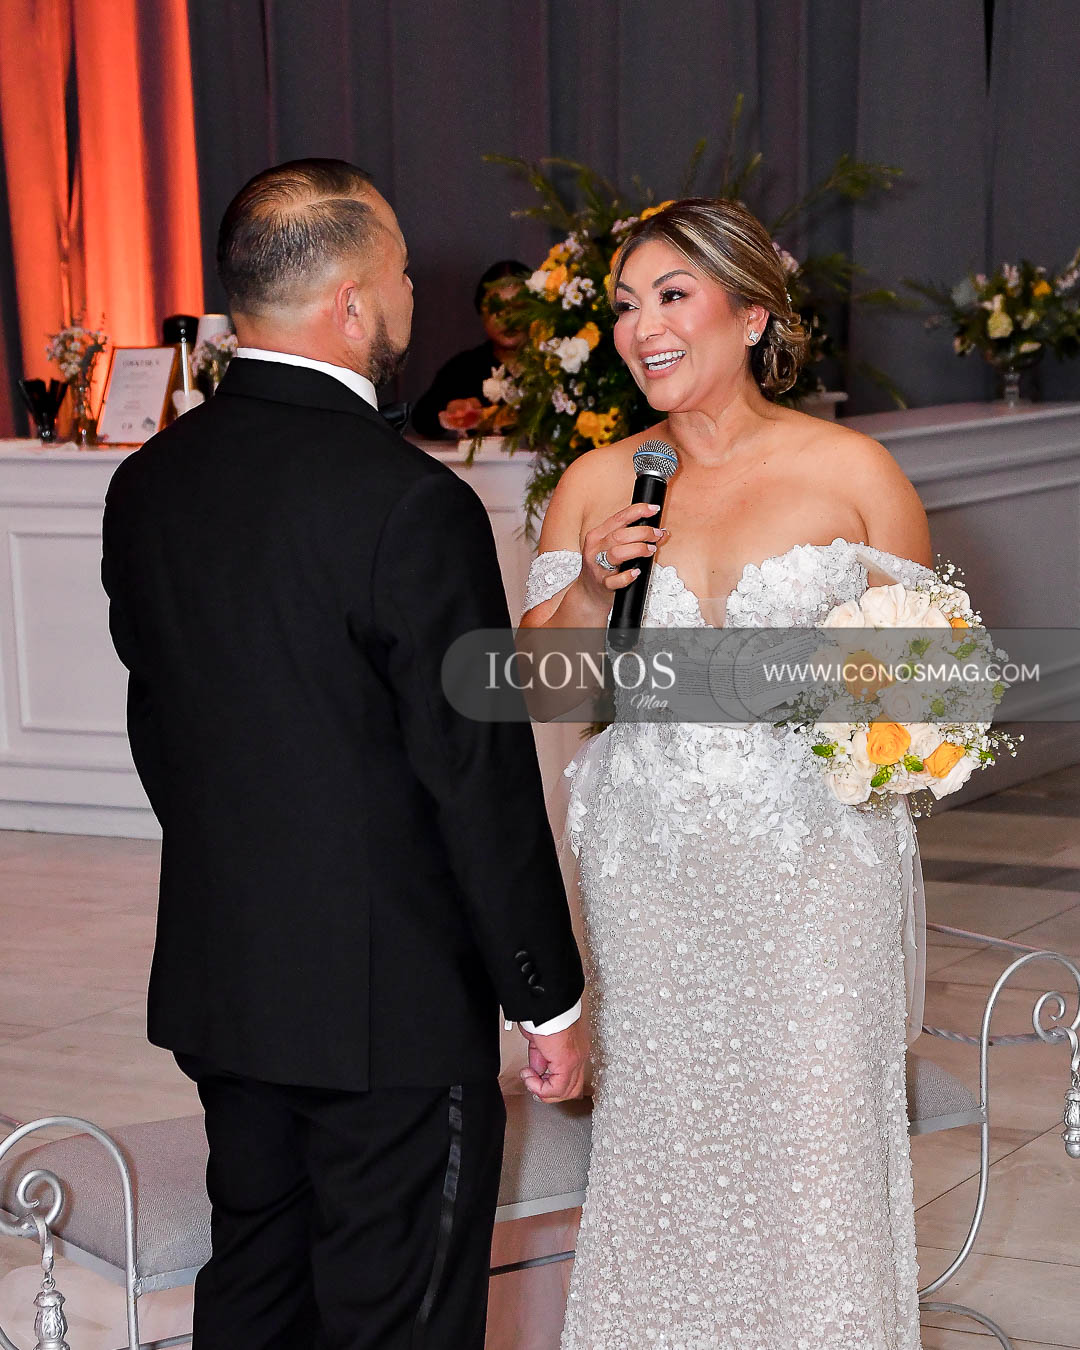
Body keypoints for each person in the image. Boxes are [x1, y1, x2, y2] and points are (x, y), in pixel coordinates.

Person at [101, 158, 586, 1350]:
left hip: (229, 982)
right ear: (355, 302)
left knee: (257, 1294)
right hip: (393, 1011)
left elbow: (164, 734)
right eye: (405, 272)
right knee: (399, 1320)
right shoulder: (411, 503)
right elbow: (475, 776)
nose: (416, 294)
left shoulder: (150, 482)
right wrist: (547, 994)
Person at [521, 197, 932, 1349]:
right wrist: (593, 589)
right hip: (651, 876)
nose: (641, 327)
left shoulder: (853, 471)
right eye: (624, 305)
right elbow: (543, 693)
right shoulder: (599, 484)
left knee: (811, 1146)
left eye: (672, 295)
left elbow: (929, 690)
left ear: (752, 316)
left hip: (814, 873)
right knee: (668, 1145)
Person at [410, 259, 528, 437]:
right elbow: (422, 419)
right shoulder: (464, 368)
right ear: (481, 312)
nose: (509, 318)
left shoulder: (555, 366)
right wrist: (451, 411)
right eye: (497, 308)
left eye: (519, 307)